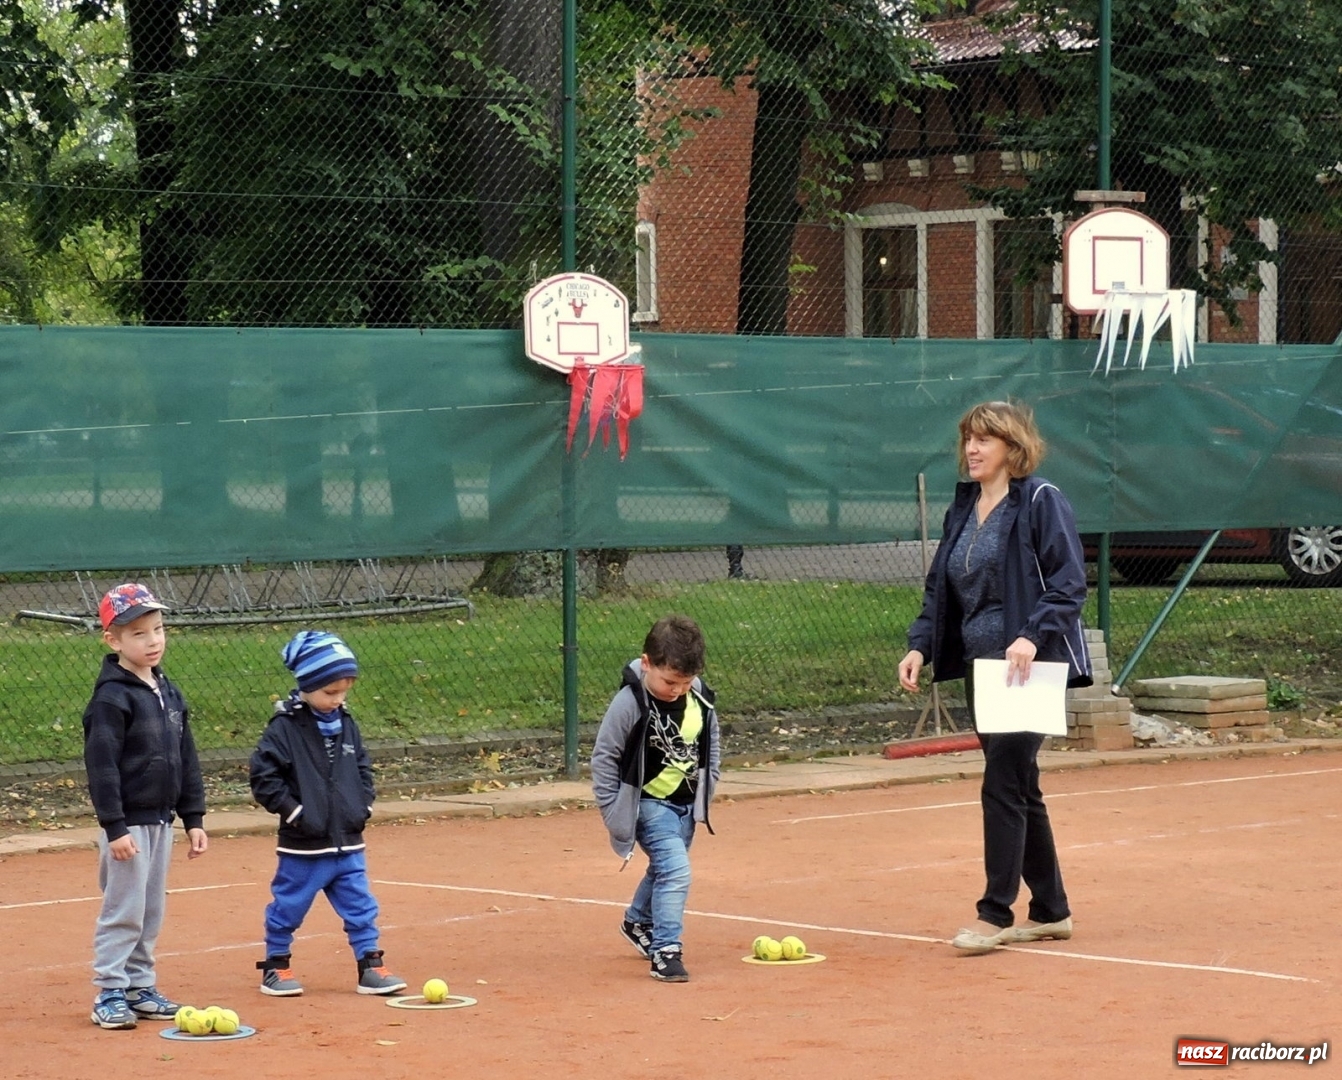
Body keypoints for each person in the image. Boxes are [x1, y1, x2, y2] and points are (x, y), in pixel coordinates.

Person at [897, 400, 1091, 955]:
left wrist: (1032, 633)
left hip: (1030, 667)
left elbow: (1069, 582)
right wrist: (919, 647)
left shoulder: (1039, 501)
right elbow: (941, 590)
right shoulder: (962, 510)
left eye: (985, 439)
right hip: (982, 671)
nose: (973, 449)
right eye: (968, 439)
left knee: (1003, 782)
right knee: (1020, 785)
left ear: (1013, 447)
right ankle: (1051, 910)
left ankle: (995, 912)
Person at [249, 630, 406, 997]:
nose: (338, 699)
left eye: (344, 691)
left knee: (361, 907)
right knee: (288, 907)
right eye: (330, 692)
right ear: (306, 685)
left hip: (348, 842)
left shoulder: (347, 723)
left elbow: (362, 767)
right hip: (304, 846)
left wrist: (362, 804)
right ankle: (276, 966)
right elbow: (264, 777)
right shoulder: (284, 729)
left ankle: (370, 965)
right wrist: (294, 813)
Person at [83, 583, 208, 1030]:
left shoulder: (167, 691)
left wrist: (193, 818)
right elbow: (102, 768)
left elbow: (186, 756)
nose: (153, 640)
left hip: (161, 822)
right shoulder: (111, 699)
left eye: (157, 629)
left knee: (150, 909)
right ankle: (110, 991)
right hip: (128, 826)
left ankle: (140, 986)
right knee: (124, 908)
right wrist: (114, 827)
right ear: (113, 641)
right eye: (138, 633)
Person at [590, 614, 721, 982]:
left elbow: (711, 747)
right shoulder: (629, 703)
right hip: (647, 805)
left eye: (685, 681)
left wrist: (706, 793)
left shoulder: (699, 698)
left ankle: (636, 921)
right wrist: (613, 812)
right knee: (676, 872)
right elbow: (604, 758)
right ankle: (666, 950)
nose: (676, 690)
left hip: (686, 803)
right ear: (646, 663)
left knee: (663, 868)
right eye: (668, 681)